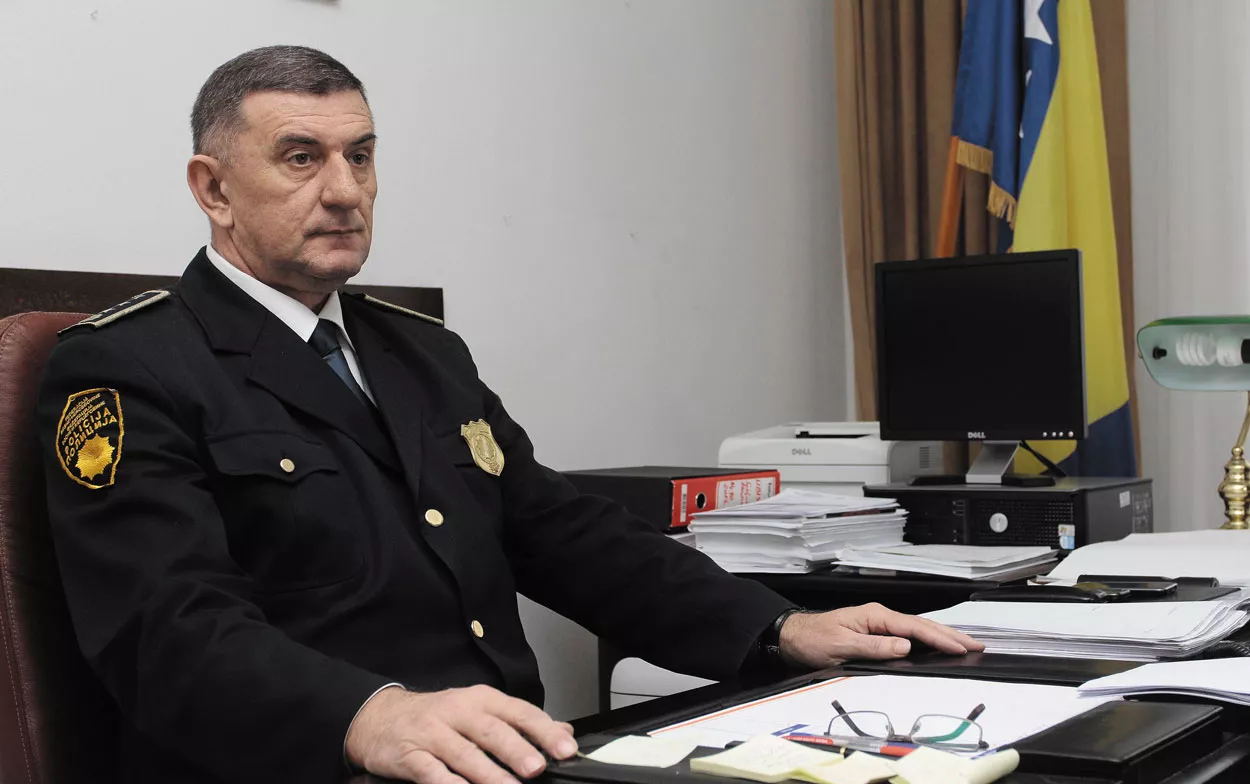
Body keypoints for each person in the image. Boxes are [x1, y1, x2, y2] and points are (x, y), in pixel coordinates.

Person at [38, 45, 981, 784]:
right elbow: (166, 627)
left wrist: (774, 629)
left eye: (360, 156)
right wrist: (367, 715)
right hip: (314, 763)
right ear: (213, 189)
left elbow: (560, 533)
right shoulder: (125, 365)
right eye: (301, 158)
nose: (345, 190)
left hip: (509, 757)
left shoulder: (421, 351)